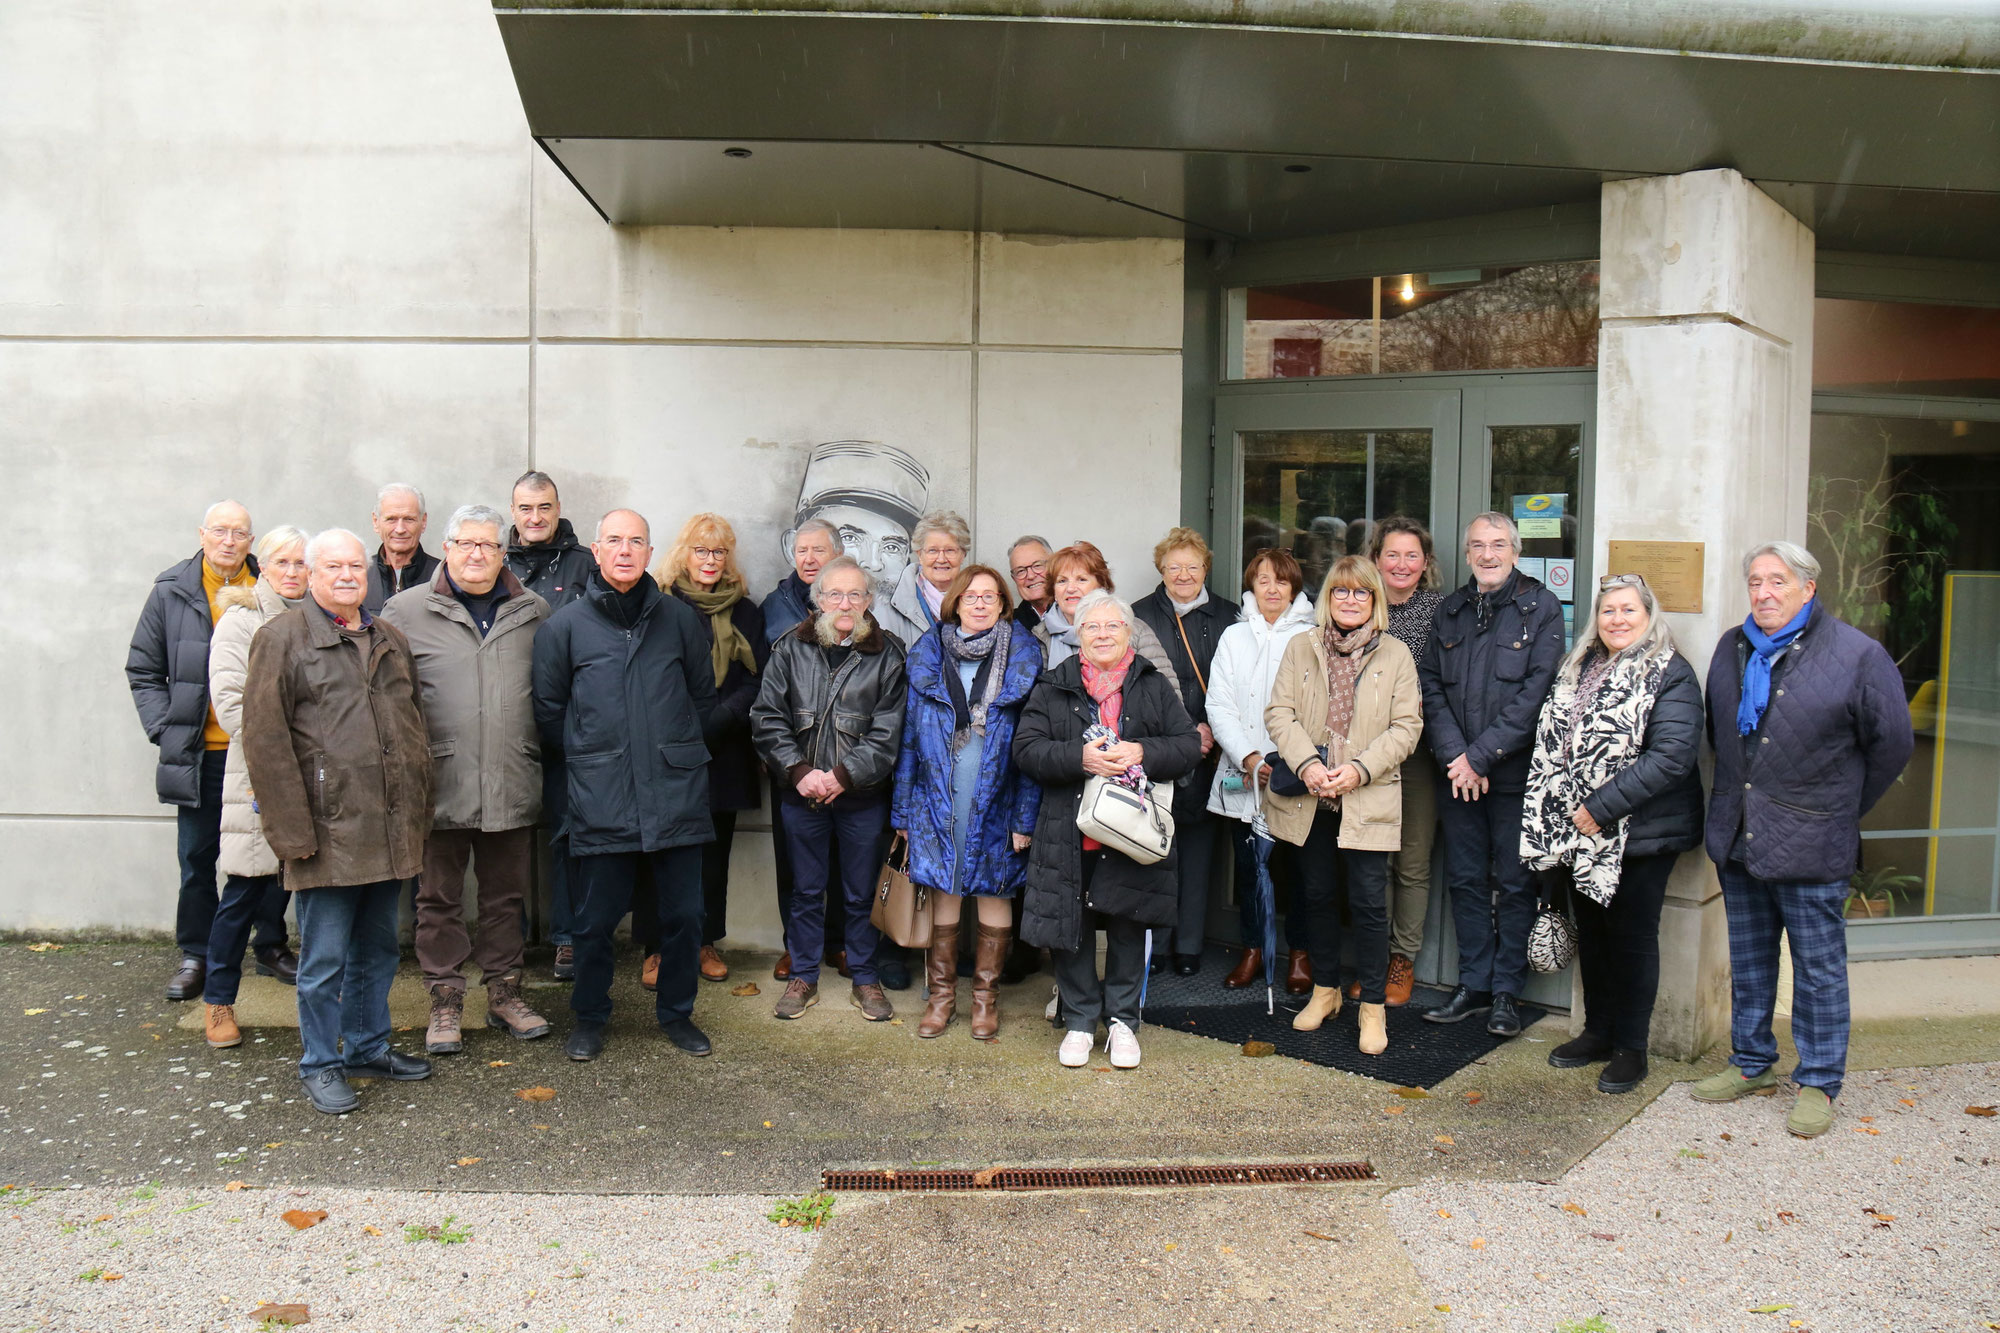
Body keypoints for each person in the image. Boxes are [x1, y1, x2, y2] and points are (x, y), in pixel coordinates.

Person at [1692, 541, 1914, 1138]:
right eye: (1756, 582)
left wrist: (1839, 809)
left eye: (1778, 582)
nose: (1763, 593)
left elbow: (1891, 745)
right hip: (1740, 835)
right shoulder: (1733, 647)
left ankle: (1818, 1079)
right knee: (1751, 960)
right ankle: (1752, 1063)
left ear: (1808, 589)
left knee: (1817, 969)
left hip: (1814, 840)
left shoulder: (1857, 655)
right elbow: (1720, 733)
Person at [241, 529, 435, 1115]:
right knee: (323, 961)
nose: (348, 575)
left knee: (378, 952)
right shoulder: (281, 639)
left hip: (388, 827)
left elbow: (414, 727)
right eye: (333, 566)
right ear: (310, 573)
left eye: (356, 565)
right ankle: (321, 1063)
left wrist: (417, 808)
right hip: (326, 832)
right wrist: (292, 834)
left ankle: (368, 1047)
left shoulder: (388, 637)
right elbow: (265, 741)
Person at [532, 509, 722, 1062]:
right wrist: (595, 760)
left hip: (674, 793)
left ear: (648, 551)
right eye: (613, 540)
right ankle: (589, 1017)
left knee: (685, 916)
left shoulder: (679, 619)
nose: (624, 550)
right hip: (601, 795)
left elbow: (702, 698)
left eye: (635, 541)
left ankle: (677, 1013)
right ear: (596, 549)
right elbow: (549, 713)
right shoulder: (565, 626)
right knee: (593, 922)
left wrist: (669, 750)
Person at [379, 504, 553, 1055]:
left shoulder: (534, 610)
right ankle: (445, 999)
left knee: (506, 896)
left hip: (511, 773)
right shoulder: (404, 611)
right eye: (466, 543)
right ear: (447, 547)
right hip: (439, 778)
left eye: (488, 545)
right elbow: (386, 699)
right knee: (438, 898)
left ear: (504, 553)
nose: (477, 554)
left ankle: (504, 992)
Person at [1522, 574, 1704, 1094]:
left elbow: (1671, 757)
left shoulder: (1671, 673)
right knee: (1596, 935)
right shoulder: (1580, 666)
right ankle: (1598, 1032)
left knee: (1632, 938)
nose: (1617, 620)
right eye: (1608, 612)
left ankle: (1632, 1048)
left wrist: (1599, 809)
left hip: (1641, 833)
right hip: (1581, 833)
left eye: (1628, 610)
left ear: (1649, 615)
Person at [1014, 590, 1202, 1070]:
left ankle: (1122, 1021)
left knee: (1128, 922)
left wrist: (1140, 751)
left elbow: (1185, 746)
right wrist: (1079, 759)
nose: (1102, 635)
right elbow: (1026, 749)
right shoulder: (1054, 685)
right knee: (1069, 926)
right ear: (1078, 636)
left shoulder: (1153, 684)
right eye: (1091, 627)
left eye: (1111, 627)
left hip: (1131, 832)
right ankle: (1079, 1020)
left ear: (1128, 633)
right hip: (1069, 829)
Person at [127, 500, 290, 1002]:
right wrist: (166, 729)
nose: (228, 541)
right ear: (202, 534)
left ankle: (271, 945)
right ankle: (196, 954)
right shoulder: (173, 591)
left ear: (250, 540)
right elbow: (143, 669)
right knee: (198, 858)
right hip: (200, 753)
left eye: (239, 533)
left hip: (258, 751)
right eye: (219, 531)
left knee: (270, 854)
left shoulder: (273, 585)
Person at [1263, 558, 1423, 1055]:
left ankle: (1372, 1006)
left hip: (1365, 794)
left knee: (1371, 905)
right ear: (1327, 598)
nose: (1350, 601)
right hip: (1312, 797)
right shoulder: (1301, 647)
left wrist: (1359, 769)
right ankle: (1325, 990)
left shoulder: (1397, 655)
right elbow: (1279, 712)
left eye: (1361, 594)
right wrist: (1309, 765)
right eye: (1340, 593)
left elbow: (1407, 727)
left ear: (1374, 601)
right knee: (1316, 897)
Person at [1418, 512, 1565, 1038]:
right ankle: (1473, 984)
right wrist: (1458, 756)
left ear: (1516, 552)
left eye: (1498, 545)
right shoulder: (1452, 610)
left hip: (1512, 775)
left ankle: (1507, 992)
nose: (1487, 554)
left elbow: (1536, 694)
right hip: (1457, 775)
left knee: (1514, 883)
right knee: (1464, 881)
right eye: (1477, 545)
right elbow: (1430, 686)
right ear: (1466, 553)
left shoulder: (1541, 608)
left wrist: (1481, 757)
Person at [750, 557, 909, 1022]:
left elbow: (888, 734)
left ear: (869, 601)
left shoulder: (889, 655)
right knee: (804, 889)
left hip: (860, 796)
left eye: (855, 595)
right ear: (818, 601)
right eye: (835, 594)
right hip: (800, 792)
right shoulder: (789, 650)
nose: (845, 604)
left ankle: (864, 975)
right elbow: (766, 718)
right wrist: (800, 773)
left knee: (860, 891)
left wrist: (840, 777)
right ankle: (804, 975)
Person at [892, 565, 1044, 1037]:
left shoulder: (1023, 659)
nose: (980, 604)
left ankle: (984, 1001)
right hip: (938, 800)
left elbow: (1031, 750)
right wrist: (902, 814)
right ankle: (941, 999)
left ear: (1003, 605)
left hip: (998, 800)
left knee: (995, 894)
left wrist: (1024, 819)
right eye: (971, 596)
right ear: (955, 602)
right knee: (946, 894)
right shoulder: (929, 657)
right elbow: (910, 744)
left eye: (990, 597)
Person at [200, 525, 311, 1049]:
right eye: (282, 563)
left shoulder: (316, 617)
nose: (293, 572)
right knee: (245, 887)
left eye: (301, 563)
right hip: (260, 775)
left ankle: (309, 981)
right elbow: (230, 702)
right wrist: (285, 749)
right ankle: (218, 1000)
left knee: (306, 883)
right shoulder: (242, 620)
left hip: (314, 776)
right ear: (261, 566)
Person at [656, 513, 769, 987]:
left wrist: (718, 720)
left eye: (719, 551)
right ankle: (658, 947)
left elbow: (756, 678)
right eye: (701, 550)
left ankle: (705, 941)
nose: (709, 560)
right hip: (669, 748)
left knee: (714, 853)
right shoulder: (660, 604)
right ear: (684, 553)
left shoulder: (746, 610)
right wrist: (687, 725)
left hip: (724, 749)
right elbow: (654, 674)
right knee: (663, 852)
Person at [1204, 547, 1317, 994]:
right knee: (1251, 868)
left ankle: (1300, 953)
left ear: (1295, 588)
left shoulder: (1312, 636)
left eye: (1282, 581)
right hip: (1244, 770)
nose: (1272, 589)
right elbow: (1220, 703)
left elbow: (1314, 709)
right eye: (1263, 579)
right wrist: (1249, 758)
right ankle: (1253, 950)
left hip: (1295, 772)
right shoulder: (1234, 636)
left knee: (1298, 870)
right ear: (1251, 586)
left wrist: (1290, 761)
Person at [1132, 527, 1239, 976]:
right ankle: (1154, 947)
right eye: (1174, 567)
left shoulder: (1230, 615)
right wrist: (1183, 731)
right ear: (1161, 570)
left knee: (1197, 851)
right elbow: (1135, 682)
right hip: (1159, 747)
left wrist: (1212, 731)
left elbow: (1240, 683)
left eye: (1192, 567)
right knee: (1153, 850)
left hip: (1215, 750)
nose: (1183, 575)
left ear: (1205, 570)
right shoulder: (1137, 615)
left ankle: (1189, 946)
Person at [505, 470, 596, 981]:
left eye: (544, 507)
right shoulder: (494, 563)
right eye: (524, 508)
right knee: (508, 834)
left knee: (567, 833)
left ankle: (568, 937)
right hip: (508, 722)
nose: (535, 518)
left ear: (558, 508)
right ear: (513, 511)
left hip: (568, 724)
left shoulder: (585, 564)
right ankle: (508, 938)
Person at [1364, 516, 1446, 1006]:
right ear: (1376, 559)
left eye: (1411, 555)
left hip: (1416, 755)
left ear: (1425, 563)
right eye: (1391, 554)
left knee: (1411, 861)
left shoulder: (1442, 612)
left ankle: (1401, 960)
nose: (1400, 564)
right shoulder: (1358, 605)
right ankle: (1371, 962)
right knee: (1371, 860)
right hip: (1362, 756)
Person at [758, 519, 843, 982]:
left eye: (819, 550)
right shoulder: (775, 605)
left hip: (846, 754)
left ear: (837, 555)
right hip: (791, 754)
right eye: (803, 551)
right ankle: (796, 945)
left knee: (843, 857)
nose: (810, 559)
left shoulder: (853, 604)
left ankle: (839, 943)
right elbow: (763, 683)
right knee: (792, 858)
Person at [1031, 542, 1182, 702]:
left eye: (1081, 579)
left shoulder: (1134, 629)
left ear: (1101, 586)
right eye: (1062, 581)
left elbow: (1168, 697)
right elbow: (1039, 703)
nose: (1070, 588)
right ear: (1053, 590)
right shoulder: (1040, 636)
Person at [875, 510, 969, 647]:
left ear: (963, 554)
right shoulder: (888, 603)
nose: (941, 559)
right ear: (920, 554)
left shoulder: (979, 600)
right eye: (933, 550)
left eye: (950, 550)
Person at [362, 483, 440, 615]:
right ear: (376, 522)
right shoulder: (360, 574)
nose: (400, 529)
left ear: (423, 521)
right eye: (391, 519)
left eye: (409, 519)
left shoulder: (443, 576)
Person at [1007, 535, 1055, 634]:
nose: (1031, 576)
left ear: (1054, 565)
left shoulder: (1078, 613)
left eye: (1037, 565)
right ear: (1014, 579)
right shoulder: (1007, 626)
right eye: (1020, 571)